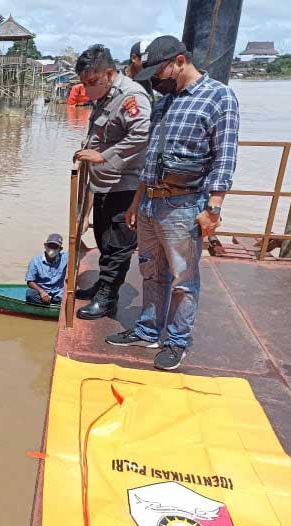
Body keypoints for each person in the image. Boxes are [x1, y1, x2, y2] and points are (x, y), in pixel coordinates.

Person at [105, 35, 239, 371]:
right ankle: (148, 330)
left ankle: (176, 341)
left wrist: (214, 209)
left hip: (184, 204)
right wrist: (137, 203)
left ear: (180, 61)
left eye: (160, 70)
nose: (157, 79)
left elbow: (225, 158)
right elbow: (151, 160)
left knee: (183, 279)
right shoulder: (165, 102)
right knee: (150, 271)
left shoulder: (218, 97)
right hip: (151, 202)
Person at [73, 44, 151, 319]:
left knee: (118, 244)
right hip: (104, 183)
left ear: (109, 73)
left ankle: (108, 298)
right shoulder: (106, 97)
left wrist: (103, 157)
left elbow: (141, 136)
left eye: (92, 82)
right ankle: (102, 286)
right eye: (84, 84)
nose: (88, 90)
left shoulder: (131, 96)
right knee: (103, 238)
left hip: (124, 184)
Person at [25, 233, 68, 305]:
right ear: (45, 246)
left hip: (60, 295)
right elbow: (30, 281)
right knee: (30, 294)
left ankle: (55, 304)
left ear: (60, 249)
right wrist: (41, 292)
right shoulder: (35, 261)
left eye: (55, 246)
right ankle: (51, 305)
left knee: (73, 297)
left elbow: (76, 248)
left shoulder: (65, 258)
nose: (52, 249)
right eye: (50, 246)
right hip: (43, 295)